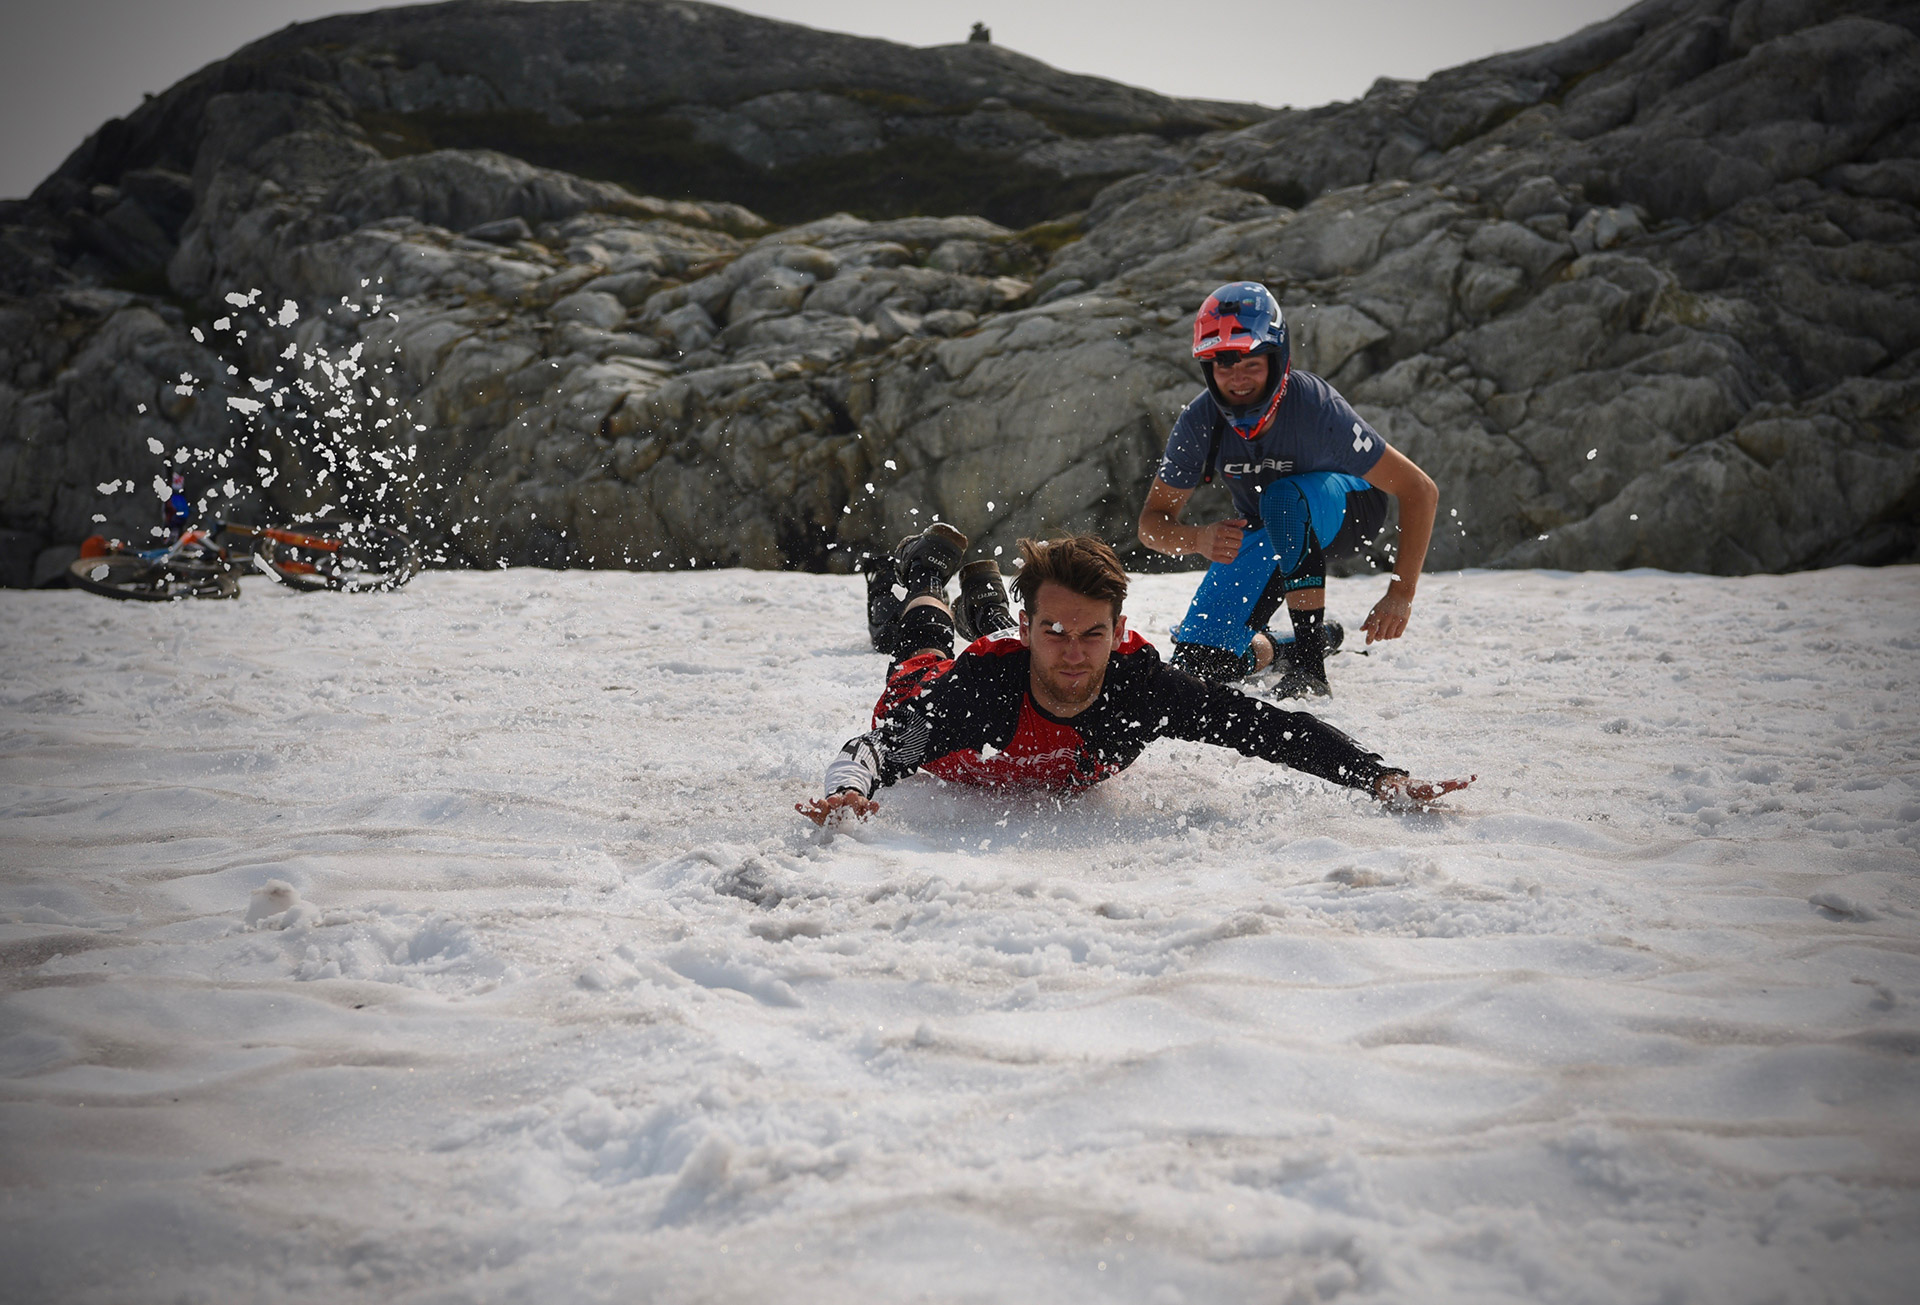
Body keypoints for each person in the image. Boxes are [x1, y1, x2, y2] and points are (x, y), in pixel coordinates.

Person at [801, 525, 1468, 825]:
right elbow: (877, 748)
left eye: (1093, 634)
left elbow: (1268, 728)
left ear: (1120, 634)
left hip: (1016, 642)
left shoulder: (1139, 687)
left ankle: (985, 600)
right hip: (951, 694)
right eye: (1054, 632)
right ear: (1032, 631)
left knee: (1022, 634)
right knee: (921, 652)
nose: (1073, 653)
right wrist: (847, 793)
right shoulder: (982, 689)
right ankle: (922, 575)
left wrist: (1379, 775)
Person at [1137, 281, 1440, 697]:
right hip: (1269, 529)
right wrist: (1197, 539)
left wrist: (1400, 594)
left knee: (1281, 501)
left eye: (1251, 363)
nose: (1237, 379)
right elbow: (1151, 525)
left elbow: (1419, 489)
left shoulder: (1315, 406)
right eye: (1224, 365)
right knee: (1200, 662)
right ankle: (1289, 647)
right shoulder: (1199, 421)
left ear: (1277, 359)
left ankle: (1310, 671)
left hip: (1349, 510)